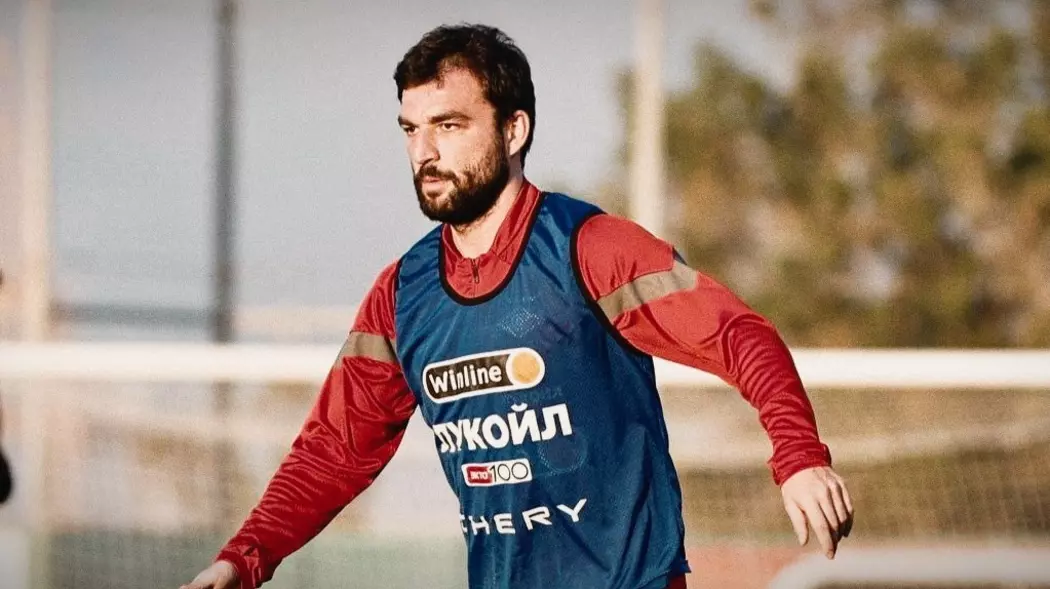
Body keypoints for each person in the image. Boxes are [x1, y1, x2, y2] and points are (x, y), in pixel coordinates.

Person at [181, 23, 853, 589]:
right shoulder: (402, 294)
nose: (425, 151)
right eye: (411, 129)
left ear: (513, 129)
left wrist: (798, 455)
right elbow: (334, 449)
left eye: (449, 125)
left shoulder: (590, 249)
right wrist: (244, 558)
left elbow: (740, 334)